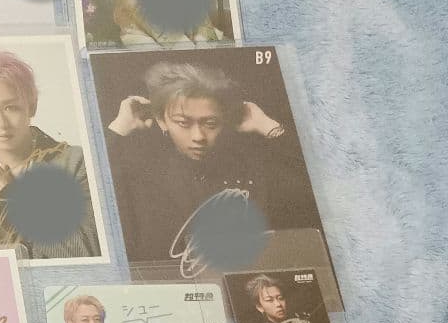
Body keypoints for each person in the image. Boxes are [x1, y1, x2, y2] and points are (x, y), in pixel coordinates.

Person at [104, 60, 322, 268]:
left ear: (224, 120)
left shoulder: (252, 169)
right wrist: (118, 129)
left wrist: (268, 126)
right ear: (162, 121)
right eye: (183, 123)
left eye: (210, 123)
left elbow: (316, 193)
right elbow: (95, 202)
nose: (198, 136)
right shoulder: (139, 176)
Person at [0, 47, 102, 260]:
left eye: (10, 107)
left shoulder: (80, 163)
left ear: (32, 105)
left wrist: (8, 195)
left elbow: (88, 254)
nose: (0, 123)